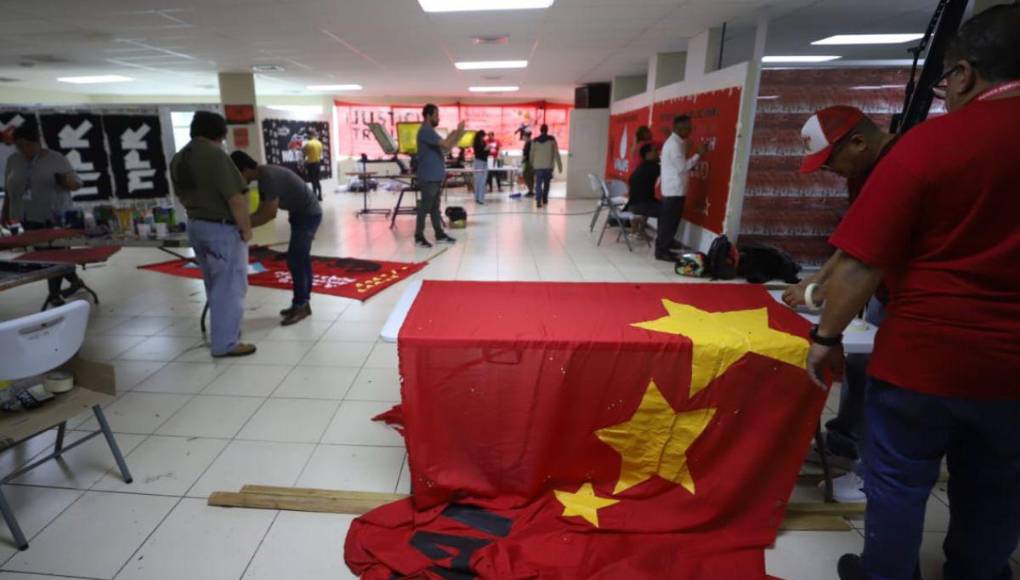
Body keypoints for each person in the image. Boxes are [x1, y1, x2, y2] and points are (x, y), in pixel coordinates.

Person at [804, 5, 1020, 579]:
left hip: (925, 359)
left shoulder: (930, 146)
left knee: (898, 481)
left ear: (967, 74)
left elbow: (860, 266)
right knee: (999, 485)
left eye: (946, 78)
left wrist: (825, 339)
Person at [783, 106, 899, 503]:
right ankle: (844, 442)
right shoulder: (865, 171)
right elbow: (854, 238)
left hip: (911, 299)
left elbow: (866, 259)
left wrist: (827, 330)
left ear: (859, 142)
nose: (831, 171)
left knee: (887, 386)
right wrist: (817, 278)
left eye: (831, 161)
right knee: (860, 370)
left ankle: (872, 474)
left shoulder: (898, 171)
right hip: (884, 293)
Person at [170, 111, 255, 358]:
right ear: (220, 133)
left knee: (214, 284)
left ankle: (223, 335)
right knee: (230, 287)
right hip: (220, 229)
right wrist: (246, 230)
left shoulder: (180, 157)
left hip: (197, 224)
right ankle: (226, 343)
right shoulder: (215, 155)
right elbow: (236, 198)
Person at [231, 151, 322, 326]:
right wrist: (242, 222)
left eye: (237, 175)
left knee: (296, 259)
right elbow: (261, 210)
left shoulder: (268, 177)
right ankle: (303, 303)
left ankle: (301, 305)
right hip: (300, 214)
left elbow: (269, 214)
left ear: (244, 169)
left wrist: (240, 226)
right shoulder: (264, 176)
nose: (238, 180)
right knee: (300, 259)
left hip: (308, 215)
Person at [1, 122, 85, 305]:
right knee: (45, 256)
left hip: (54, 215)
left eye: (28, 144)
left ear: (38, 142)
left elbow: (77, 183)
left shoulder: (56, 158)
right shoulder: (13, 160)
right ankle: (76, 281)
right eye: (19, 145)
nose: (24, 149)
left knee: (53, 256)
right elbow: (9, 188)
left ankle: (54, 295)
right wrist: (4, 212)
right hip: (27, 215)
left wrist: (69, 182)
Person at [657, 115, 708, 261]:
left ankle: (664, 246)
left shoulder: (678, 142)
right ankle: (662, 251)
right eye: (687, 128)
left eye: (691, 128)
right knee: (669, 222)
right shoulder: (674, 145)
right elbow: (682, 167)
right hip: (674, 191)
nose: (690, 131)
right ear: (677, 128)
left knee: (670, 222)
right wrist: (698, 154)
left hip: (674, 189)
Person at [415, 104, 465, 248]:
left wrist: (457, 133)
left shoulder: (430, 131)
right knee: (425, 208)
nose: (438, 118)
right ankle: (418, 236)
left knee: (435, 208)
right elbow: (445, 144)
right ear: (428, 116)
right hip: (429, 177)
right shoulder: (425, 131)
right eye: (436, 115)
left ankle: (439, 234)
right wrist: (458, 132)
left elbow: (446, 147)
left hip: (435, 176)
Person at [623, 143, 661, 239]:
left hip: (631, 205)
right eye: (655, 151)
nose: (658, 153)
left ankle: (638, 231)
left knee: (652, 202)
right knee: (668, 211)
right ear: (648, 154)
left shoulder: (641, 166)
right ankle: (663, 239)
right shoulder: (653, 167)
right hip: (640, 206)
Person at [528, 124, 562, 209]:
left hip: (538, 166)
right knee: (547, 184)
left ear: (540, 130)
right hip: (548, 166)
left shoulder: (535, 140)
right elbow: (556, 153)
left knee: (538, 184)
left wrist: (531, 164)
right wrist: (560, 166)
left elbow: (531, 154)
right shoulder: (552, 140)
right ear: (547, 130)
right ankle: (545, 198)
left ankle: (538, 200)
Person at [303, 129, 324, 202]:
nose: (307, 136)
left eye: (308, 135)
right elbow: (320, 153)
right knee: (317, 180)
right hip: (318, 164)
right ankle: (320, 196)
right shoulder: (319, 143)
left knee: (313, 181)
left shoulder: (308, 144)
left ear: (310, 135)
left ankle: (314, 196)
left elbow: (305, 153)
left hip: (311, 164)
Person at [471, 130, 489, 205]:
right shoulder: (476, 143)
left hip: (484, 162)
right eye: (482, 136)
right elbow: (478, 153)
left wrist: (487, 150)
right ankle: (478, 198)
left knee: (483, 181)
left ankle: (481, 198)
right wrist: (485, 149)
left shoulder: (484, 142)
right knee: (478, 181)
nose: (483, 138)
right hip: (478, 162)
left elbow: (487, 153)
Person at [520, 128, 535, 197]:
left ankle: (531, 190)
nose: (522, 137)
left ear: (526, 136)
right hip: (531, 161)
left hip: (528, 162)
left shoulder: (528, 143)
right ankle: (531, 190)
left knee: (526, 175)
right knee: (530, 176)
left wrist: (521, 162)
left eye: (523, 136)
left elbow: (525, 154)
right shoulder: (531, 142)